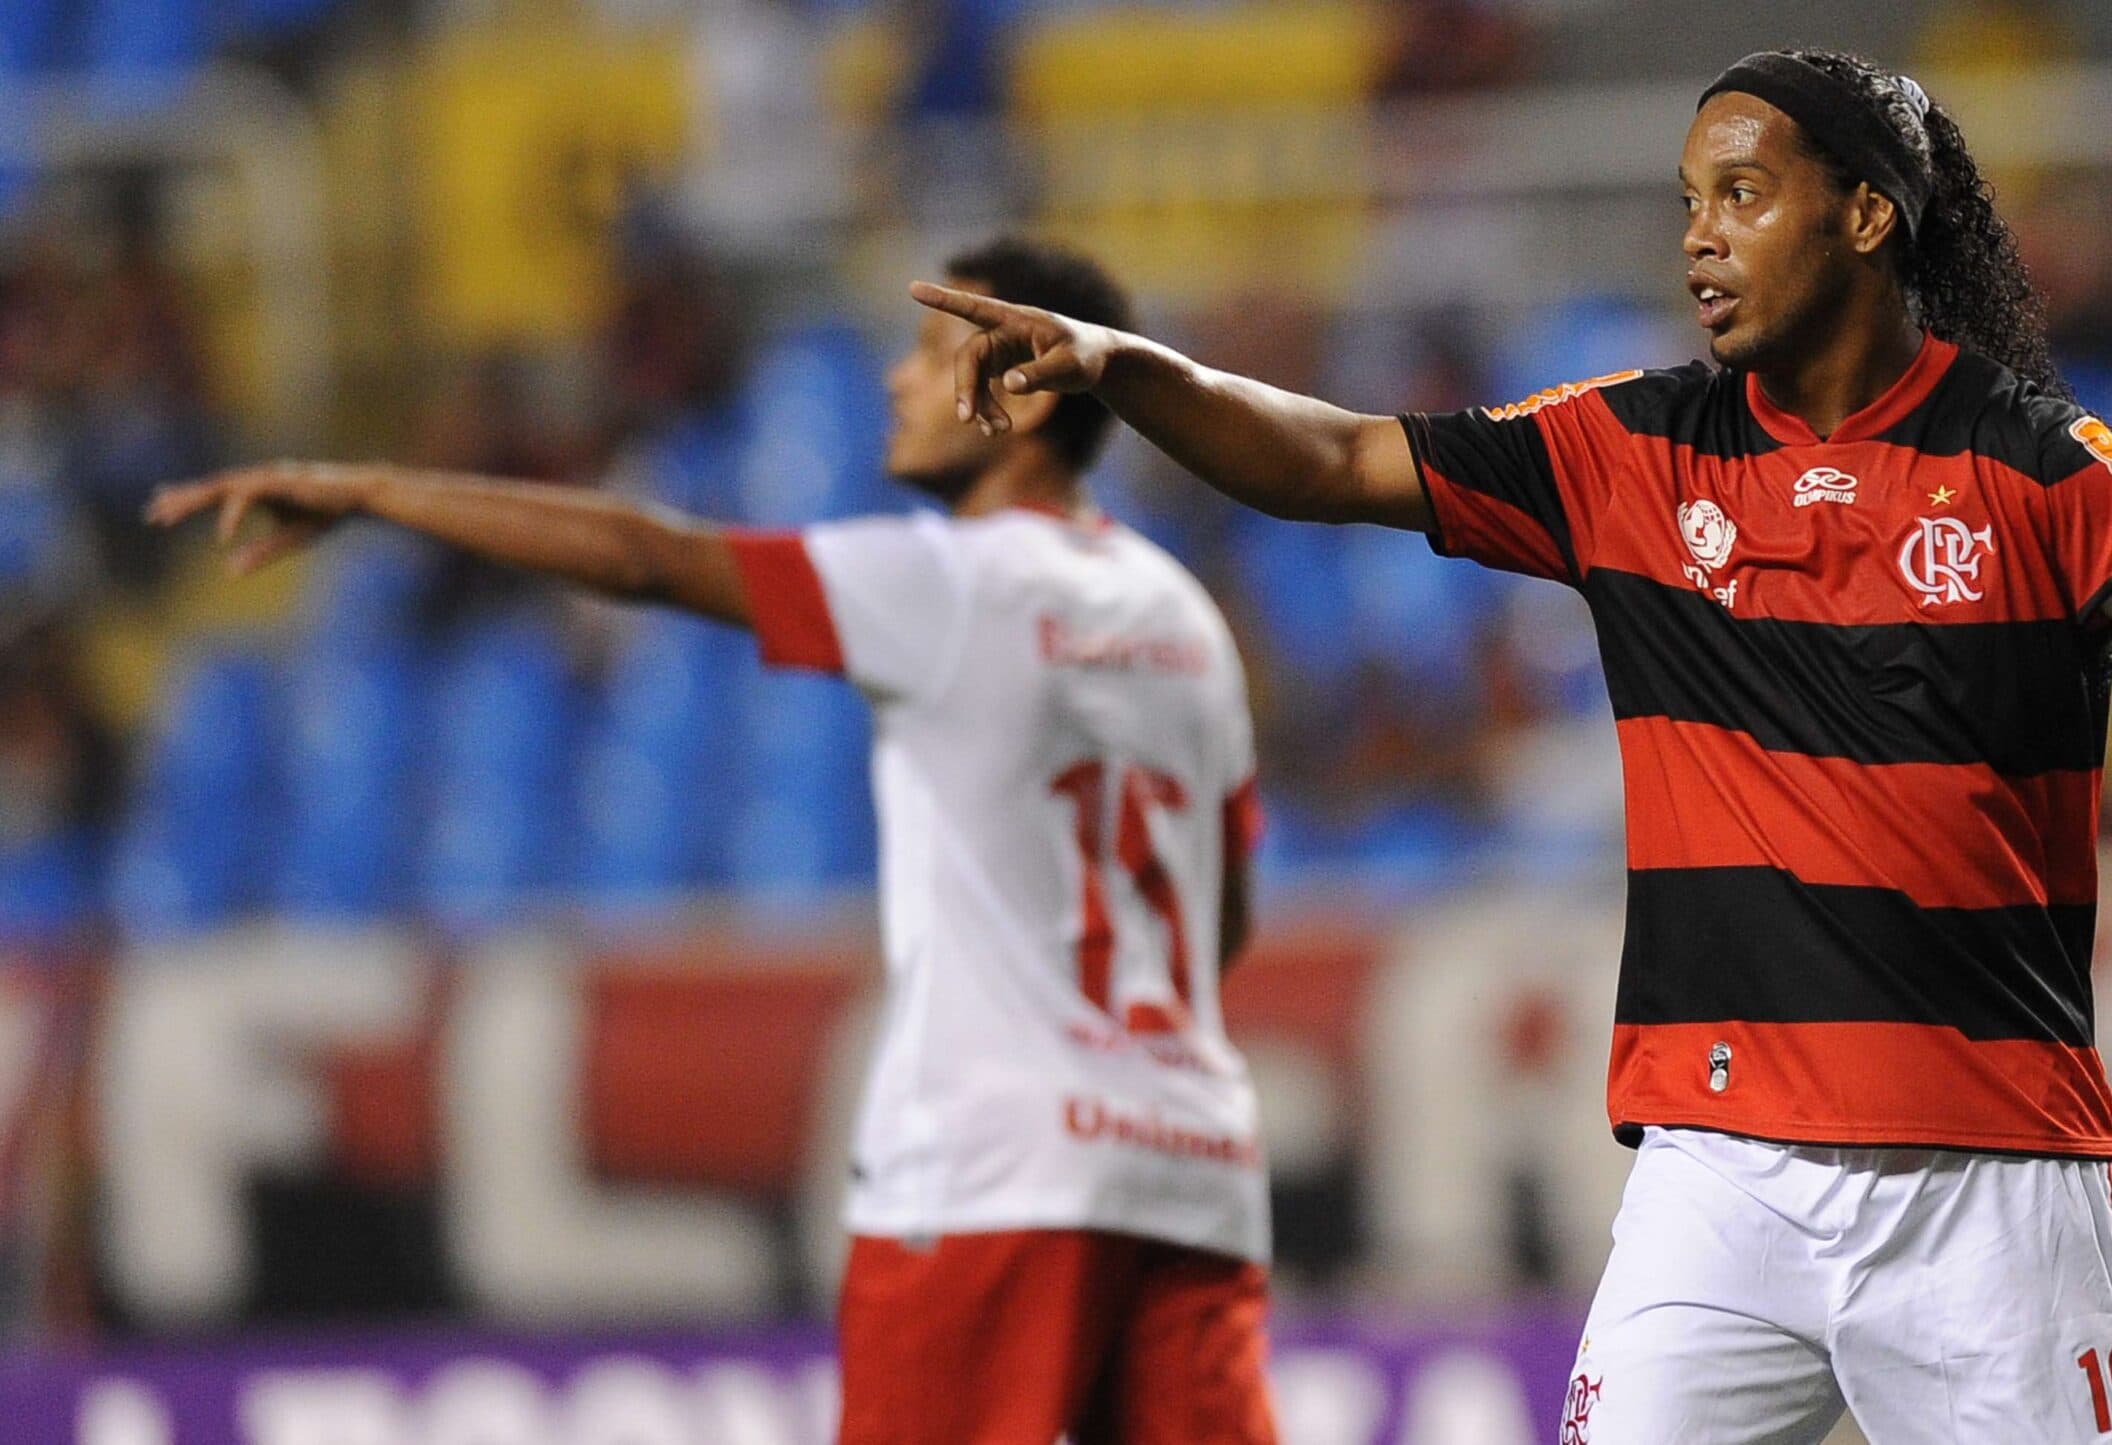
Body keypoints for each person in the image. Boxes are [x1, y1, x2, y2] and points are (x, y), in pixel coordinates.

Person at [911, 49, 2112, 1445]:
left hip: (1991, 1179)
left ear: (1862, 215)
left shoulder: (2037, 462)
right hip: (1717, 1182)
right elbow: (1334, 459)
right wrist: (1123, 368)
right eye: (1685, 205)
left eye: (1738, 195)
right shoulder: (1627, 453)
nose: (1699, 241)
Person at [149, 238, 1279, 1445]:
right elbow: (1225, 910)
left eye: (931, 361)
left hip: (997, 1162)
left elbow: (649, 558)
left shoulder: (948, 582)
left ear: (1023, 397)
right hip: (1185, 1152)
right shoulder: (1183, 617)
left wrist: (377, 494)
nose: (900, 385)